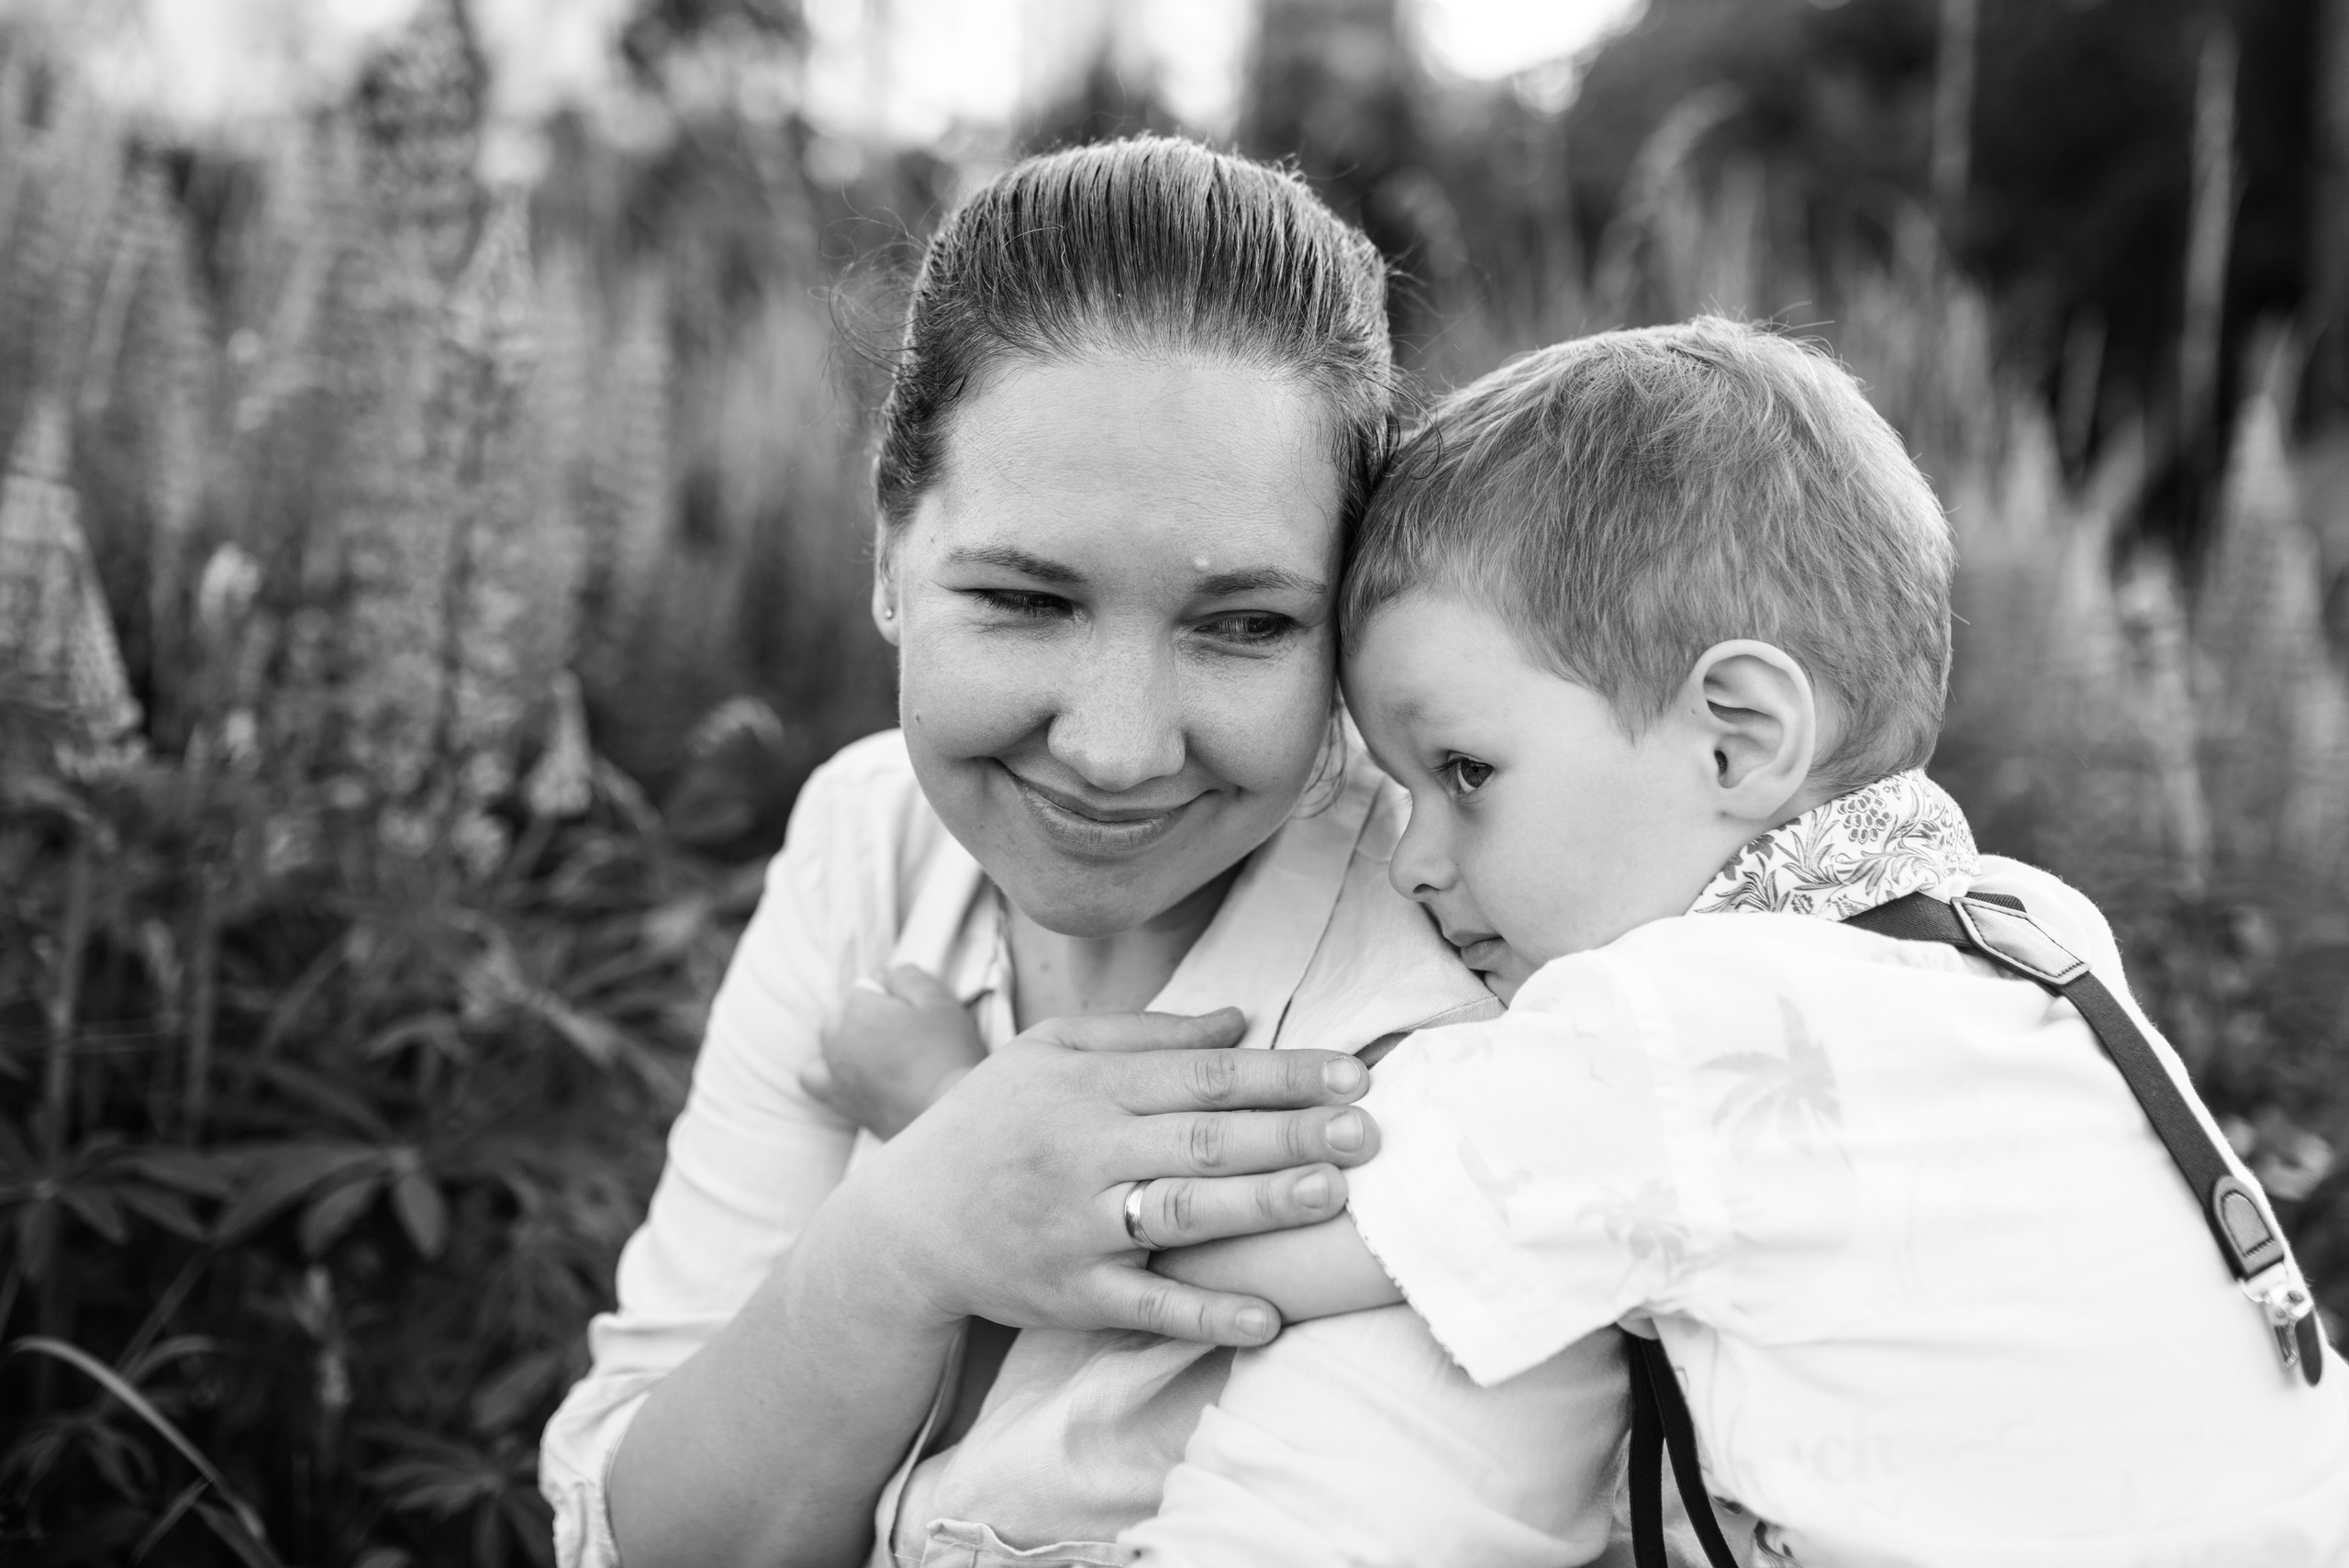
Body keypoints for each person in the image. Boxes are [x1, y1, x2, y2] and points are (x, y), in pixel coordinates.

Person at [538, 136, 1631, 1568]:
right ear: (887, 551)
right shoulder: (873, 841)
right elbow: (645, 1532)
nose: (1117, 749)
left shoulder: (1487, 1003)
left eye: (1244, 625)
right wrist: (910, 1232)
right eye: (1024, 600)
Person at [1120, 319, 2349, 1566]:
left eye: (1463, 771)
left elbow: (1253, 1232)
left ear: (1739, 738)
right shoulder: (2026, 930)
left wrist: (959, 1131)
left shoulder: (1684, 1025)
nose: (1413, 856)